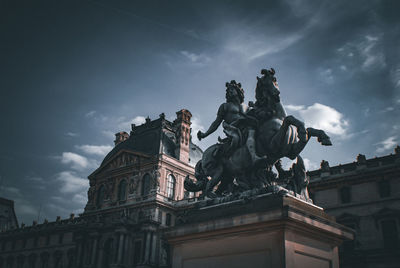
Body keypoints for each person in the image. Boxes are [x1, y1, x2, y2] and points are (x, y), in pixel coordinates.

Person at [197, 80, 265, 166]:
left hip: (245, 126)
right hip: (233, 128)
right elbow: (216, 123)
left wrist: (255, 107)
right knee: (240, 137)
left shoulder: (246, 107)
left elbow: (253, 117)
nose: (229, 92)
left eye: (232, 90)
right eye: (228, 91)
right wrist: (205, 134)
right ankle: (250, 157)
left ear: (238, 91)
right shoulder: (225, 106)